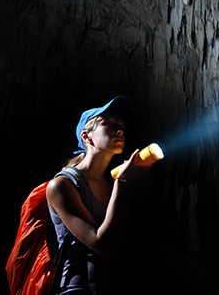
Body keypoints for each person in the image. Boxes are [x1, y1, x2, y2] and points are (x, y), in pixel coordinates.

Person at [46, 96, 150, 294]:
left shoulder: (110, 185)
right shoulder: (61, 186)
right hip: (76, 289)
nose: (120, 130)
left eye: (121, 125)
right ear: (87, 137)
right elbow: (102, 244)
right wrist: (122, 181)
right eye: (108, 124)